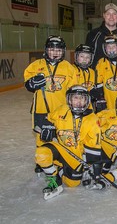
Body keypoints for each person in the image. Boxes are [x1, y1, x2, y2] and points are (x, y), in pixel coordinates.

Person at [34, 85, 103, 200]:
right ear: (69, 100)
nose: (79, 102)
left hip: (75, 157)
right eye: (75, 98)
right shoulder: (62, 110)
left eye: (82, 98)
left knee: (72, 184)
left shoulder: (93, 120)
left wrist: (92, 169)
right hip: (60, 149)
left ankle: (60, 170)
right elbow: (44, 121)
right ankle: (54, 180)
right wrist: (47, 127)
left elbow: (93, 149)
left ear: (87, 101)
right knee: (42, 153)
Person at [24, 36, 76, 175]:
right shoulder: (36, 65)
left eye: (58, 50)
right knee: (41, 136)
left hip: (61, 109)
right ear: (46, 50)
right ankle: (41, 161)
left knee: (62, 134)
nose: (55, 52)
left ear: (63, 51)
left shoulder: (68, 67)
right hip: (40, 109)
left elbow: (73, 89)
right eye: (51, 49)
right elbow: (28, 83)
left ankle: (60, 158)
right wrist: (31, 83)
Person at [85, 3, 117, 68]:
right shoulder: (93, 34)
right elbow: (86, 56)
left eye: (114, 14)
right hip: (98, 76)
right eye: (108, 14)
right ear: (104, 15)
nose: (111, 17)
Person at [92, 35, 117, 112]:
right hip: (107, 101)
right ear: (105, 48)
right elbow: (98, 83)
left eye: (114, 46)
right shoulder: (101, 62)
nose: (111, 49)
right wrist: (100, 98)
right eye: (108, 47)